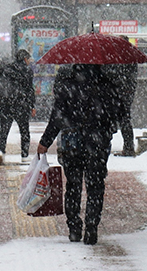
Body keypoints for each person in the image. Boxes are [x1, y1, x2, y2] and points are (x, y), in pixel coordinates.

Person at [36, 64, 122, 245]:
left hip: (72, 144)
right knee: (96, 187)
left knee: (73, 186)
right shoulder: (107, 86)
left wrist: (45, 142)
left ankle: (74, 228)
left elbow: (56, 118)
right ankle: (91, 228)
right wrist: (105, 129)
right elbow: (118, 115)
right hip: (97, 144)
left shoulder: (67, 86)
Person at [0, 49, 35, 165]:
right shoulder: (27, 71)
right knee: (24, 130)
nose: (29, 62)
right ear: (24, 59)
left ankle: (1, 151)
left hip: (6, 103)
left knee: (4, 129)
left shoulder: (6, 69)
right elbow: (30, 90)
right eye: (28, 59)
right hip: (21, 104)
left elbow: (0, 87)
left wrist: (1, 103)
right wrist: (32, 105)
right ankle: (24, 154)